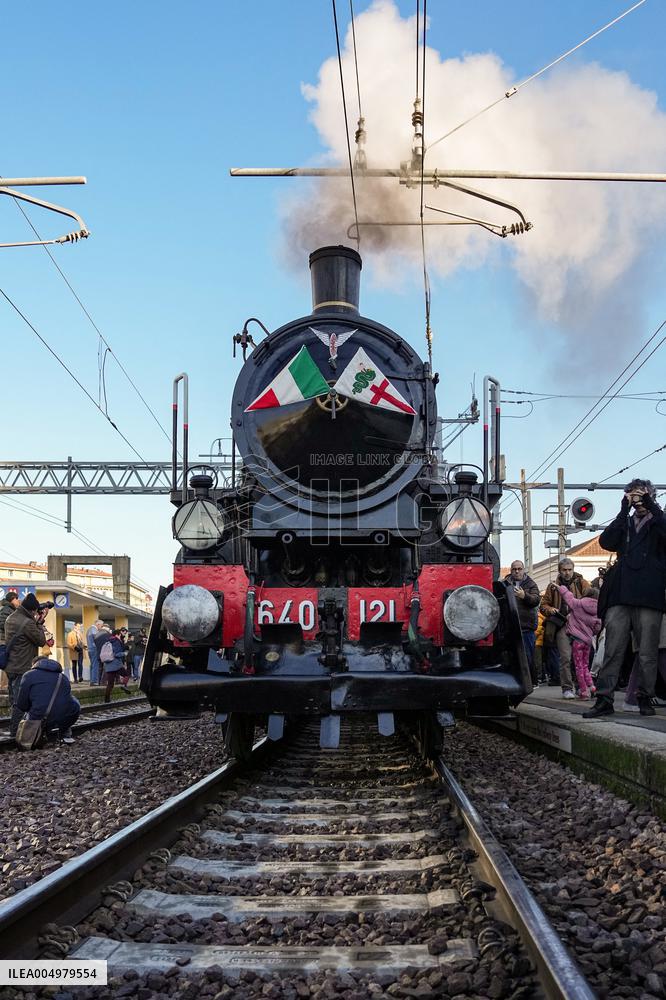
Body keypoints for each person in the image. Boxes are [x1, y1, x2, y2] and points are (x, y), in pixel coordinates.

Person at [584, 480, 666, 718]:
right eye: (634, 496)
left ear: (652, 496)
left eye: (642, 495)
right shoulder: (625, 522)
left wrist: (651, 506)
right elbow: (606, 542)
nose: (638, 500)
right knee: (612, 648)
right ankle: (604, 698)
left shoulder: (659, 520)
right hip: (621, 592)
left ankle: (644, 696)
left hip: (649, 592)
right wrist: (623, 510)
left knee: (648, 651)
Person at [541, 557, 590, 699]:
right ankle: (567, 688)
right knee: (565, 658)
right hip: (562, 625)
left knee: (579, 658)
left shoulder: (582, 583)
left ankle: (581, 687)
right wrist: (551, 610)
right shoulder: (553, 587)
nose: (567, 573)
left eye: (570, 570)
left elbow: (591, 600)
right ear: (559, 571)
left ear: (573, 570)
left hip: (579, 625)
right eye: (564, 570)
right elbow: (543, 605)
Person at [4, 594, 47, 738]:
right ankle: (15, 732)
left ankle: (16, 728)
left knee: (14, 700)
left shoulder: (11, 618)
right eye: (35, 611)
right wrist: (39, 623)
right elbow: (41, 640)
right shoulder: (27, 622)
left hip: (11, 665)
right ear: (32, 610)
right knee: (20, 702)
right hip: (23, 666)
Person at [16, 656, 80, 744]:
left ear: (34, 665)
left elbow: (21, 705)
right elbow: (66, 701)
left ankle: (35, 735)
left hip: (38, 718)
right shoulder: (63, 677)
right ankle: (65, 734)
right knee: (74, 701)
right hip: (63, 718)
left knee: (31, 710)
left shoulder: (28, 675)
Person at [557, 585, 601, 699]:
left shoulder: (578, 604)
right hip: (588, 642)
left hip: (577, 641)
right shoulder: (598, 610)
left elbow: (568, 597)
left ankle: (583, 691)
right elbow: (597, 628)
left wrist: (561, 588)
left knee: (578, 667)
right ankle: (592, 687)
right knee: (586, 666)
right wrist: (591, 632)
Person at [504, 561, 541, 685]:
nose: (517, 571)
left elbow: (536, 600)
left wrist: (524, 596)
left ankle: (530, 682)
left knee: (528, 657)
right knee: (511, 657)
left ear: (523, 570)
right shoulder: (504, 584)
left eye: (519, 568)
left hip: (526, 627)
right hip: (509, 628)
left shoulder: (531, 584)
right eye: (514, 569)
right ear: (511, 570)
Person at [95, 627, 126, 702]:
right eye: (120, 635)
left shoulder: (108, 641)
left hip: (108, 665)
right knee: (126, 674)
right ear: (117, 635)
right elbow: (116, 654)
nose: (120, 636)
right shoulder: (116, 641)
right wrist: (125, 653)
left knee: (110, 684)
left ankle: (107, 699)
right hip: (116, 665)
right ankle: (125, 687)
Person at [86, 619, 104, 686]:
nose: (101, 627)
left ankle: (92, 680)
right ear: (98, 624)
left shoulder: (89, 629)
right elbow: (97, 638)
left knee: (92, 665)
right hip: (94, 649)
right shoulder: (93, 630)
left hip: (90, 649)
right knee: (95, 665)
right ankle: (94, 681)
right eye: (101, 626)